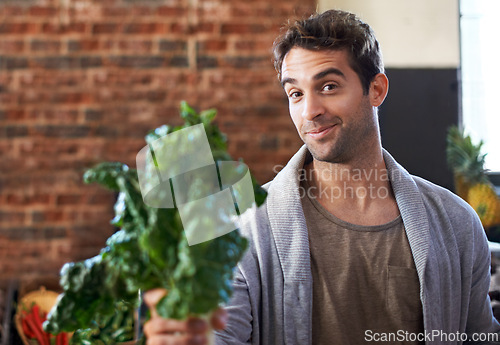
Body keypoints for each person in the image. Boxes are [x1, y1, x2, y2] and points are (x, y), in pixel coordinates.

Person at [143, 9, 500, 345]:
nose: (310, 111)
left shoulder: (456, 223)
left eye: (328, 86)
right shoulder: (245, 228)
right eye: (295, 93)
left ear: (376, 89)